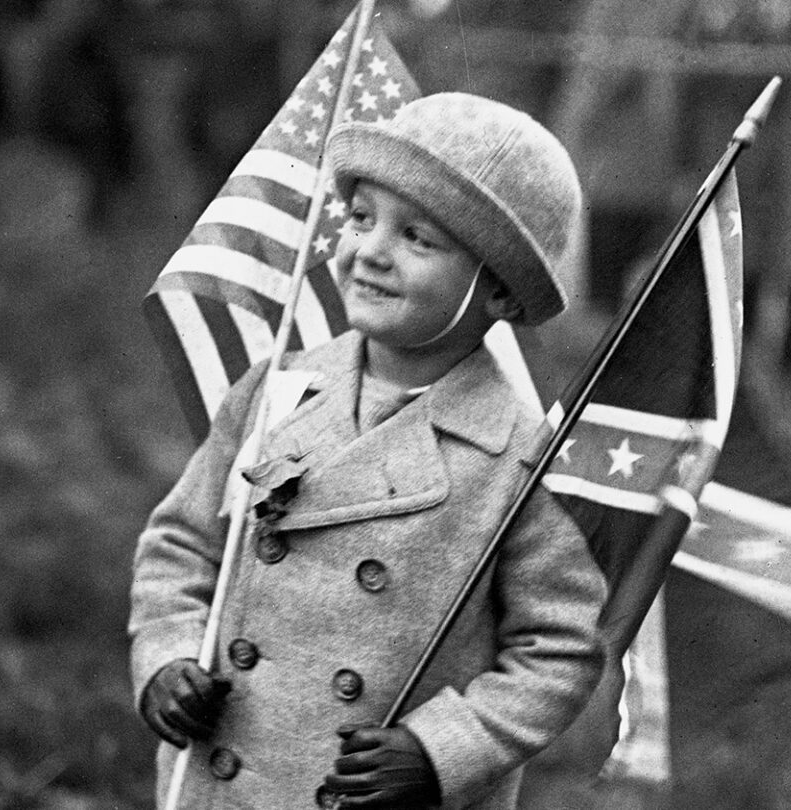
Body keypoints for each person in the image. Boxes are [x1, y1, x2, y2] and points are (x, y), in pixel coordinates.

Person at [128, 92, 609, 809]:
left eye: (418, 238)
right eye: (359, 219)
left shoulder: (522, 457)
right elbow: (181, 546)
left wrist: (440, 749)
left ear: (501, 291)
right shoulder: (277, 391)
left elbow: (559, 650)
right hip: (227, 777)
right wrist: (168, 658)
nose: (370, 253)